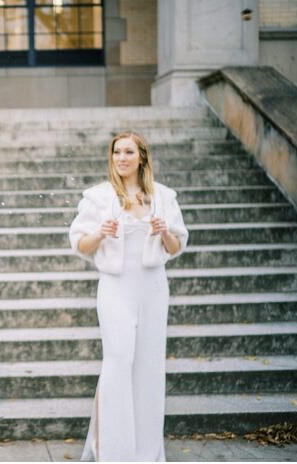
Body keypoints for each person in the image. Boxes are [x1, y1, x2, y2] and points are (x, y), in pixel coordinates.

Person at [68, 131, 189, 461]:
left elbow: (177, 247)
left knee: (149, 367)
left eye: (128, 152)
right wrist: (100, 233)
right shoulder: (98, 197)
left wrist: (164, 231)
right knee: (118, 363)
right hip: (115, 287)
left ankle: (146, 452)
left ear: (142, 157)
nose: (121, 158)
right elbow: (79, 244)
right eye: (116, 152)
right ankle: (110, 450)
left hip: (152, 287)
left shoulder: (163, 197)